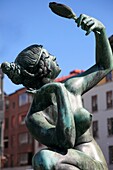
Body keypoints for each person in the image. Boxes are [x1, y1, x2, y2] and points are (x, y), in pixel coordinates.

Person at [1, 14, 113, 170]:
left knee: (46, 158)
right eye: (48, 56)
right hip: (68, 162)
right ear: (42, 68)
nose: (54, 57)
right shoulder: (34, 118)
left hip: (93, 161)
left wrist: (100, 31)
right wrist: (59, 91)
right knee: (43, 158)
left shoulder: (73, 86)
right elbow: (66, 141)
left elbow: (104, 66)